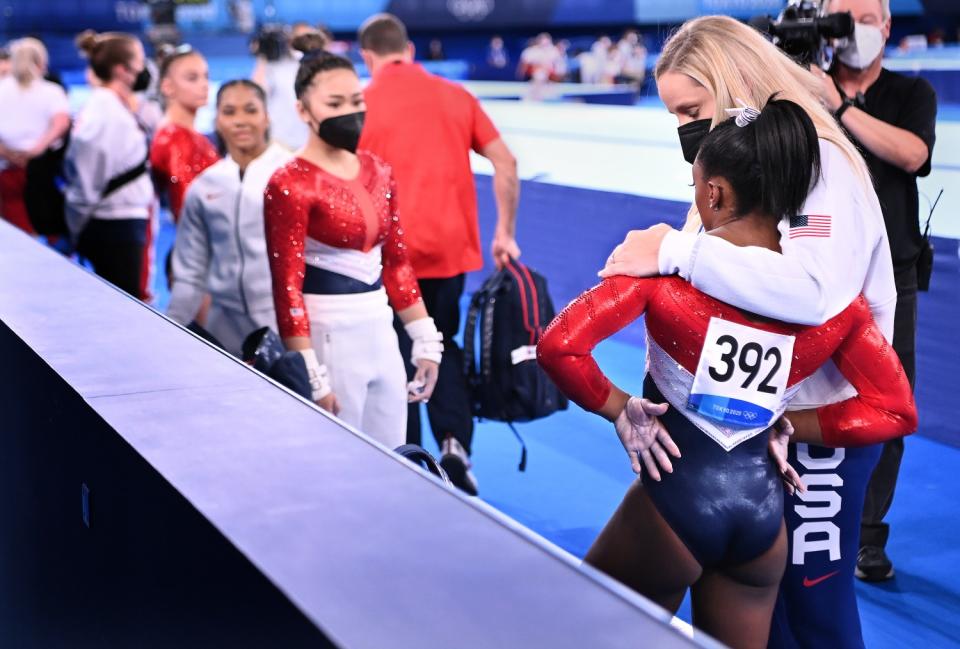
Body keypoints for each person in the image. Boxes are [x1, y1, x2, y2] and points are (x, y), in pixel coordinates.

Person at [538, 96, 917, 649]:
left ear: (712, 193)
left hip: (675, 507)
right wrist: (791, 423)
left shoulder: (664, 280)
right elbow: (895, 409)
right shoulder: (837, 308)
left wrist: (622, 411)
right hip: (762, 527)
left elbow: (558, 347)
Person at [357, 13, 520, 494]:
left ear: (368, 58)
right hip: (447, 251)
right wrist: (505, 232)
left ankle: (405, 456)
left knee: (395, 352)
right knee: (441, 344)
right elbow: (506, 164)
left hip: (386, 252)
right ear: (408, 50)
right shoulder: (455, 95)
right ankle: (453, 444)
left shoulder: (360, 103)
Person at [263, 50, 442, 450]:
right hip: (329, 336)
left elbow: (397, 263)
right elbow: (287, 287)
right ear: (303, 110)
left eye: (356, 101)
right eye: (335, 103)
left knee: (395, 459)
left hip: (380, 329)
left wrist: (425, 340)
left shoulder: (379, 169)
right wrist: (309, 371)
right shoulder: (289, 183)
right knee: (339, 462)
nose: (350, 112)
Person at [814, 0, 936, 584]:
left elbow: (913, 154)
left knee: (885, 404)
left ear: (887, 27)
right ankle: (799, 511)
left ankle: (866, 535)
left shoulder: (912, 93)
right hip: (815, 266)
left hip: (895, 274)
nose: (853, 31)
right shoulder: (801, 83)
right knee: (806, 397)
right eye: (841, 17)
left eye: (864, 17)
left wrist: (838, 107)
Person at [167, 80, 290, 356]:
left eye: (250, 110)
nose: (240, 121)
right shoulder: (205, 185)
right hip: (222, 323)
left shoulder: (291, 175)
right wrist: (171, 327)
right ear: (217, 120)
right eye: (229, 112)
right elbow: (190, 270)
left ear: (266, 117)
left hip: (282, 320)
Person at [65, 30, 155, 299]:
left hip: (121, 223)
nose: (144, 68)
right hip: (114, 227)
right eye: (139, 61)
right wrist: (76, 226)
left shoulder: (114, 107)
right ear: (122, 70)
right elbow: (87, 178)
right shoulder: (103, 112)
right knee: (124, 307)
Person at [0, 38, 70, 236]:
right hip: (41, 169)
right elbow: (61, 123)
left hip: (10, 169)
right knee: (48, 228)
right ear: (41, 62)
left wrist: (7, 152)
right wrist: (36, 150)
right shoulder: (51, 91)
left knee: (17, 232)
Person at [149, 45, 219, 222]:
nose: (204, 85)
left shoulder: (191, 135)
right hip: (199, 242)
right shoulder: (173, 137)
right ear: (167, 87)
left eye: (206, 77)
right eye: (192, 78)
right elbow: (187, 205)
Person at [251, 23, 324, 151]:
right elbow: (257, 93)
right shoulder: (271, 66)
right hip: (279, 140)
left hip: (308, 139)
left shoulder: (313, 63)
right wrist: (262, 57)